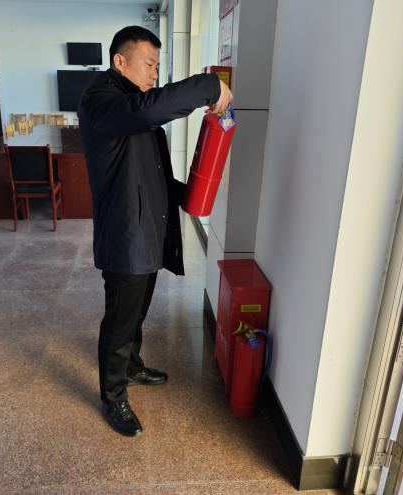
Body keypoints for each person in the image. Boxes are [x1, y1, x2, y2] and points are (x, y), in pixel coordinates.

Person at [78, 25, 233, 437]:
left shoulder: (130, 105)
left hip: (146, 231)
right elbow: (149, 109)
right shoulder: (102, 100)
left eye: (157, 67)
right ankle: (113, 396)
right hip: (125, 234)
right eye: (148, 64)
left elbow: (153, 172)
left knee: (138, 310)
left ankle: (131, 366)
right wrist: (208, 86)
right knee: (120, 319)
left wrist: (190, 193)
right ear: (119, 61)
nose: (154, 73)